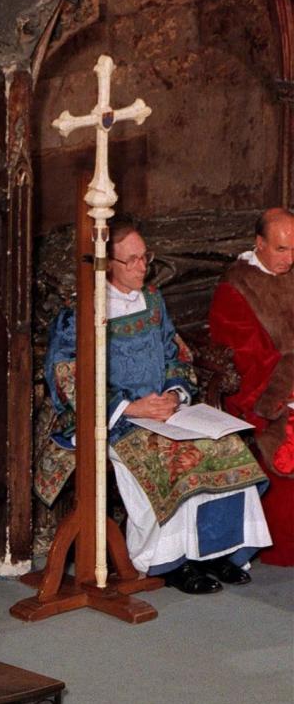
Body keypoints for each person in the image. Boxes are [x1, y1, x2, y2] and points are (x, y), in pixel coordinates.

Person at [35, 218, 271, 593]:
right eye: (132, 260)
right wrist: (131, 408)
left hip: (166, 411)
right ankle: (169, 562)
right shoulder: (81, 312)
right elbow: (67, 377)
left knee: (226, 448)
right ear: (106, 264)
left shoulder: (153, 300)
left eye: (145, 257)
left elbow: (176, 355)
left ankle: (215, 554)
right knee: (174, 458)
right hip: (112, 420)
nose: (143, 267)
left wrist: (175, 395)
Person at [208, 208, 294, 566]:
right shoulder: (236, 289)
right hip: (267, 393)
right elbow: (248, 359)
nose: (290, 259)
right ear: (259, 244)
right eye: (281, 250)